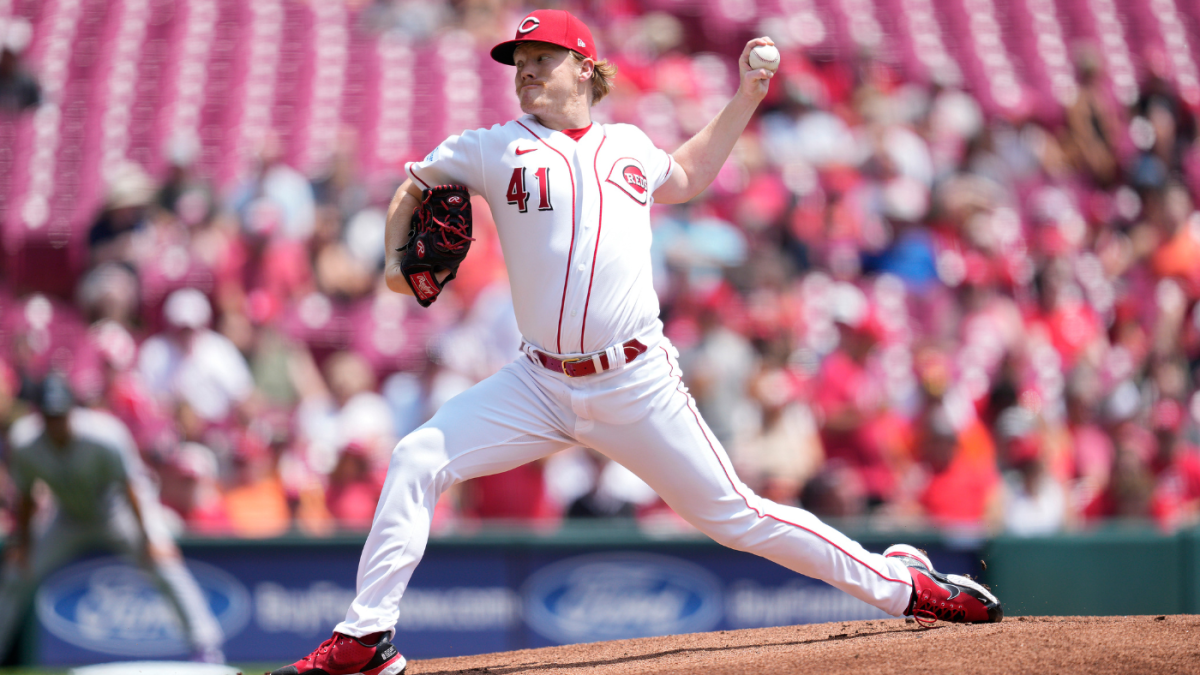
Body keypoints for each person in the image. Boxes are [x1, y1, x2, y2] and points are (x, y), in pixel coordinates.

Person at [270, 10, 1002, 675]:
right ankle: (366, 638)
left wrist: (746, 95)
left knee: (738, 517)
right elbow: (413, 184)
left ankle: (907, 584)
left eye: (541, 57)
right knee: (417, 455)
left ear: (585, 68)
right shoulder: (493, 148)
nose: (524, 70)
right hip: (538, 383)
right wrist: (400, 267)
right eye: (517, 60)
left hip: (634, 380)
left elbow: (684, 175)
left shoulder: (628, 146)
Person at [0, 374, 224, 662]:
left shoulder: (104, 434)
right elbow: (27, 496)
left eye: (60, 414)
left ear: (72, 410)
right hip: (66, 517)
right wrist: (25, 545)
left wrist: (148, 538)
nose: (55, 422)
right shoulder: (25, 441)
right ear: (39, 415)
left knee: (164, 562)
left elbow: (131, 488)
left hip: (116, 511)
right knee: (18, 573)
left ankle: (205, 645)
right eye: (49, 415)